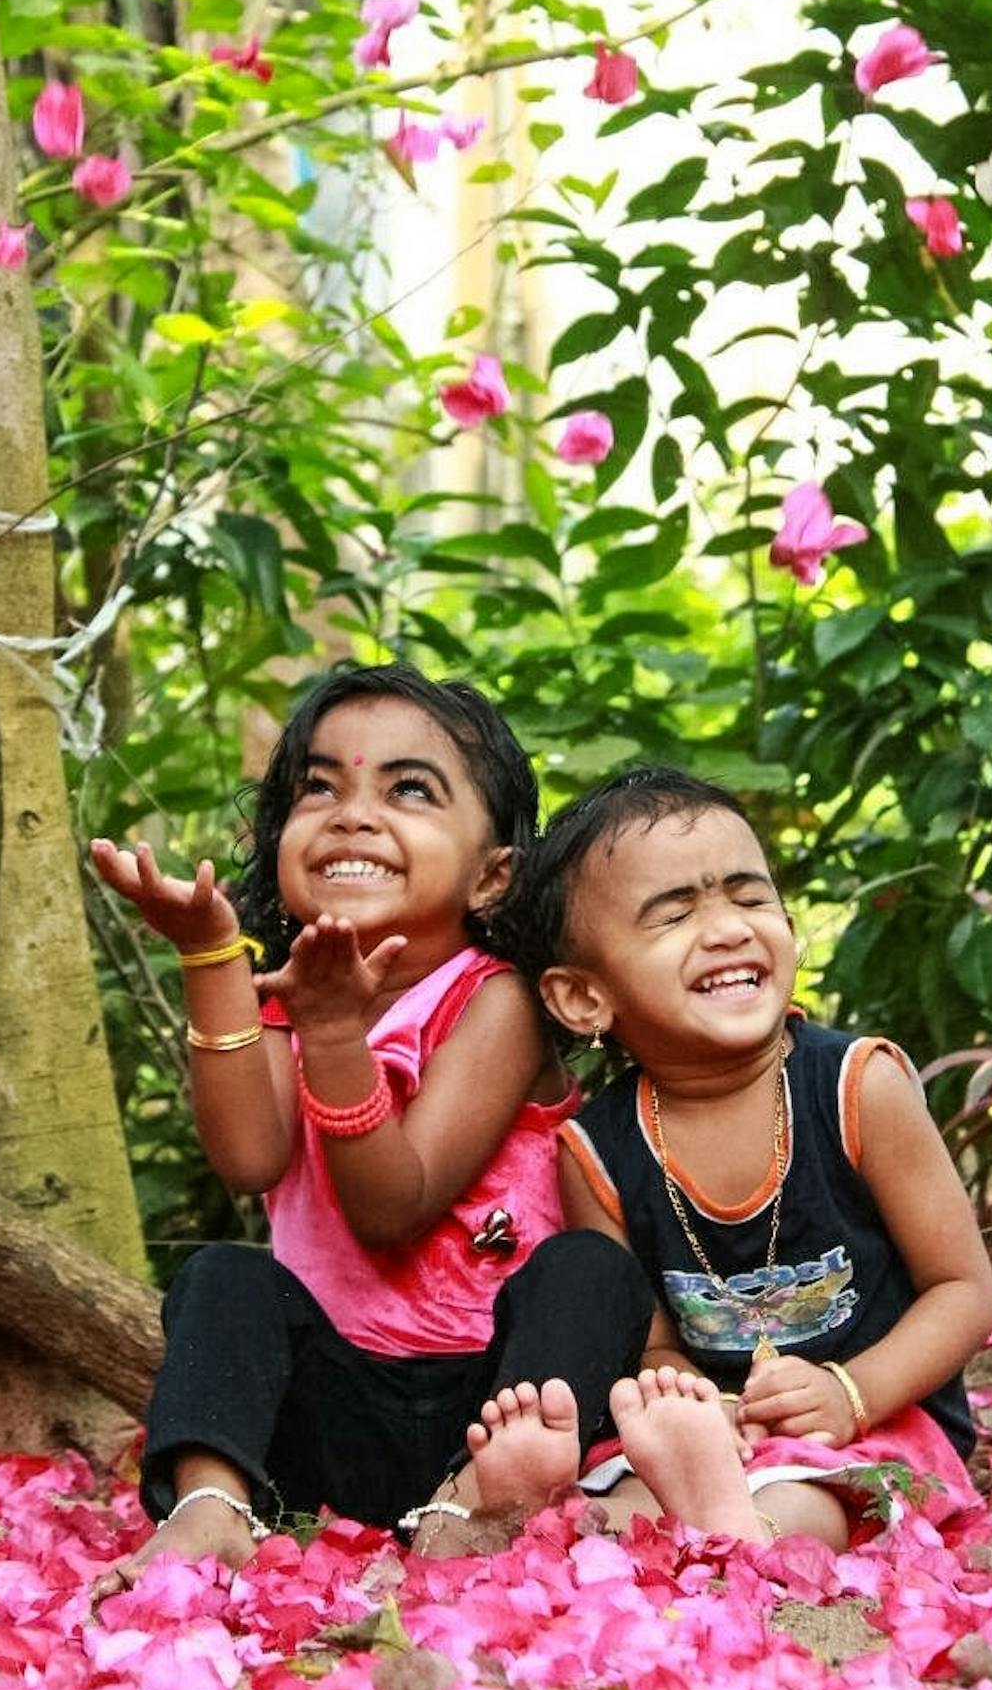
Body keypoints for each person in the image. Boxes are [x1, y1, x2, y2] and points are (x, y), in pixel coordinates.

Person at [90, 665, 653, 1583]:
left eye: (409, 790)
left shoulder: (495, 1002)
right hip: (334, 1414)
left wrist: (335, 1034)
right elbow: (246, 1158)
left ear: (492, 874)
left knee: (591, 1273)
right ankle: (214, 1504)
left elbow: (394, 1205)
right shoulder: (282, 1003)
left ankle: (481, 1501)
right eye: (319, 787)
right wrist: (209, 956)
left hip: (495, 1403)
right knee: (223, 1279)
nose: (350, 815)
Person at [463, 765, 992, 1550]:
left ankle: (740, 1525)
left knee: (817, 1499)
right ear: (583, 999)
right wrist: (690, 1398)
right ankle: (548, 1512)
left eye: (749, 898)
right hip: (713, 1434)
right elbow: (647, 1339)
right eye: (673, 915)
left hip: (873, 1422)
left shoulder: (858, 1087)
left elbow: (962, 1291)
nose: (727, 929)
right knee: (621, 1497)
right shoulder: (596, 1151)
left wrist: (850, 1394)